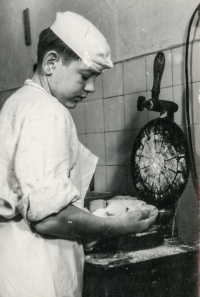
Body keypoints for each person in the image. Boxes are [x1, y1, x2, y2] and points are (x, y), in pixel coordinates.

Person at [0, 11, 158, 297]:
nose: (91, 88)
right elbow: (49, 217)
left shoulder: (17, 104)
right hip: (40, 280)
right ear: (51, 63)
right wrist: (117, 225)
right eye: (85, 75)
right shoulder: (48, 112)